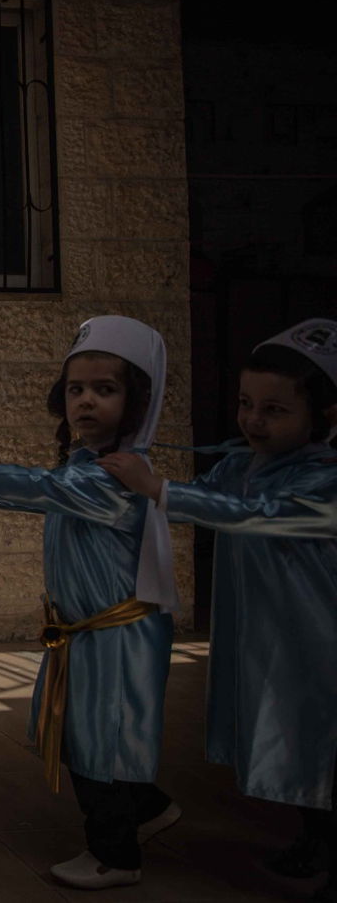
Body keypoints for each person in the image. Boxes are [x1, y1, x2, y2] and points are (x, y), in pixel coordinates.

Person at [0, 316, 180, 890]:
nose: (85, 402)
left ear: (137, 400)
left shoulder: (114, 478)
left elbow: (40, 489)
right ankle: (149, 808)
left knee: (104, 741)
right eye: (76, 389)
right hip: (90, 634)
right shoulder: (91, 463)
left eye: (105, 390)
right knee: (91, 734)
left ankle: (116, 856)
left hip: (115, 636)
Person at [100, 317, 337, 902]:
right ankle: (313, 838)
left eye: (275, 410)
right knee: (288, 735)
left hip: (316, 636)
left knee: (317, 737)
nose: (253, 420)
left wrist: (159, 489)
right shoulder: (243, 464)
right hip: (267, 633)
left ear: (326, 416)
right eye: (245, 403)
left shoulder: (324, 480)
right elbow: (215, 495)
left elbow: (254, 515)